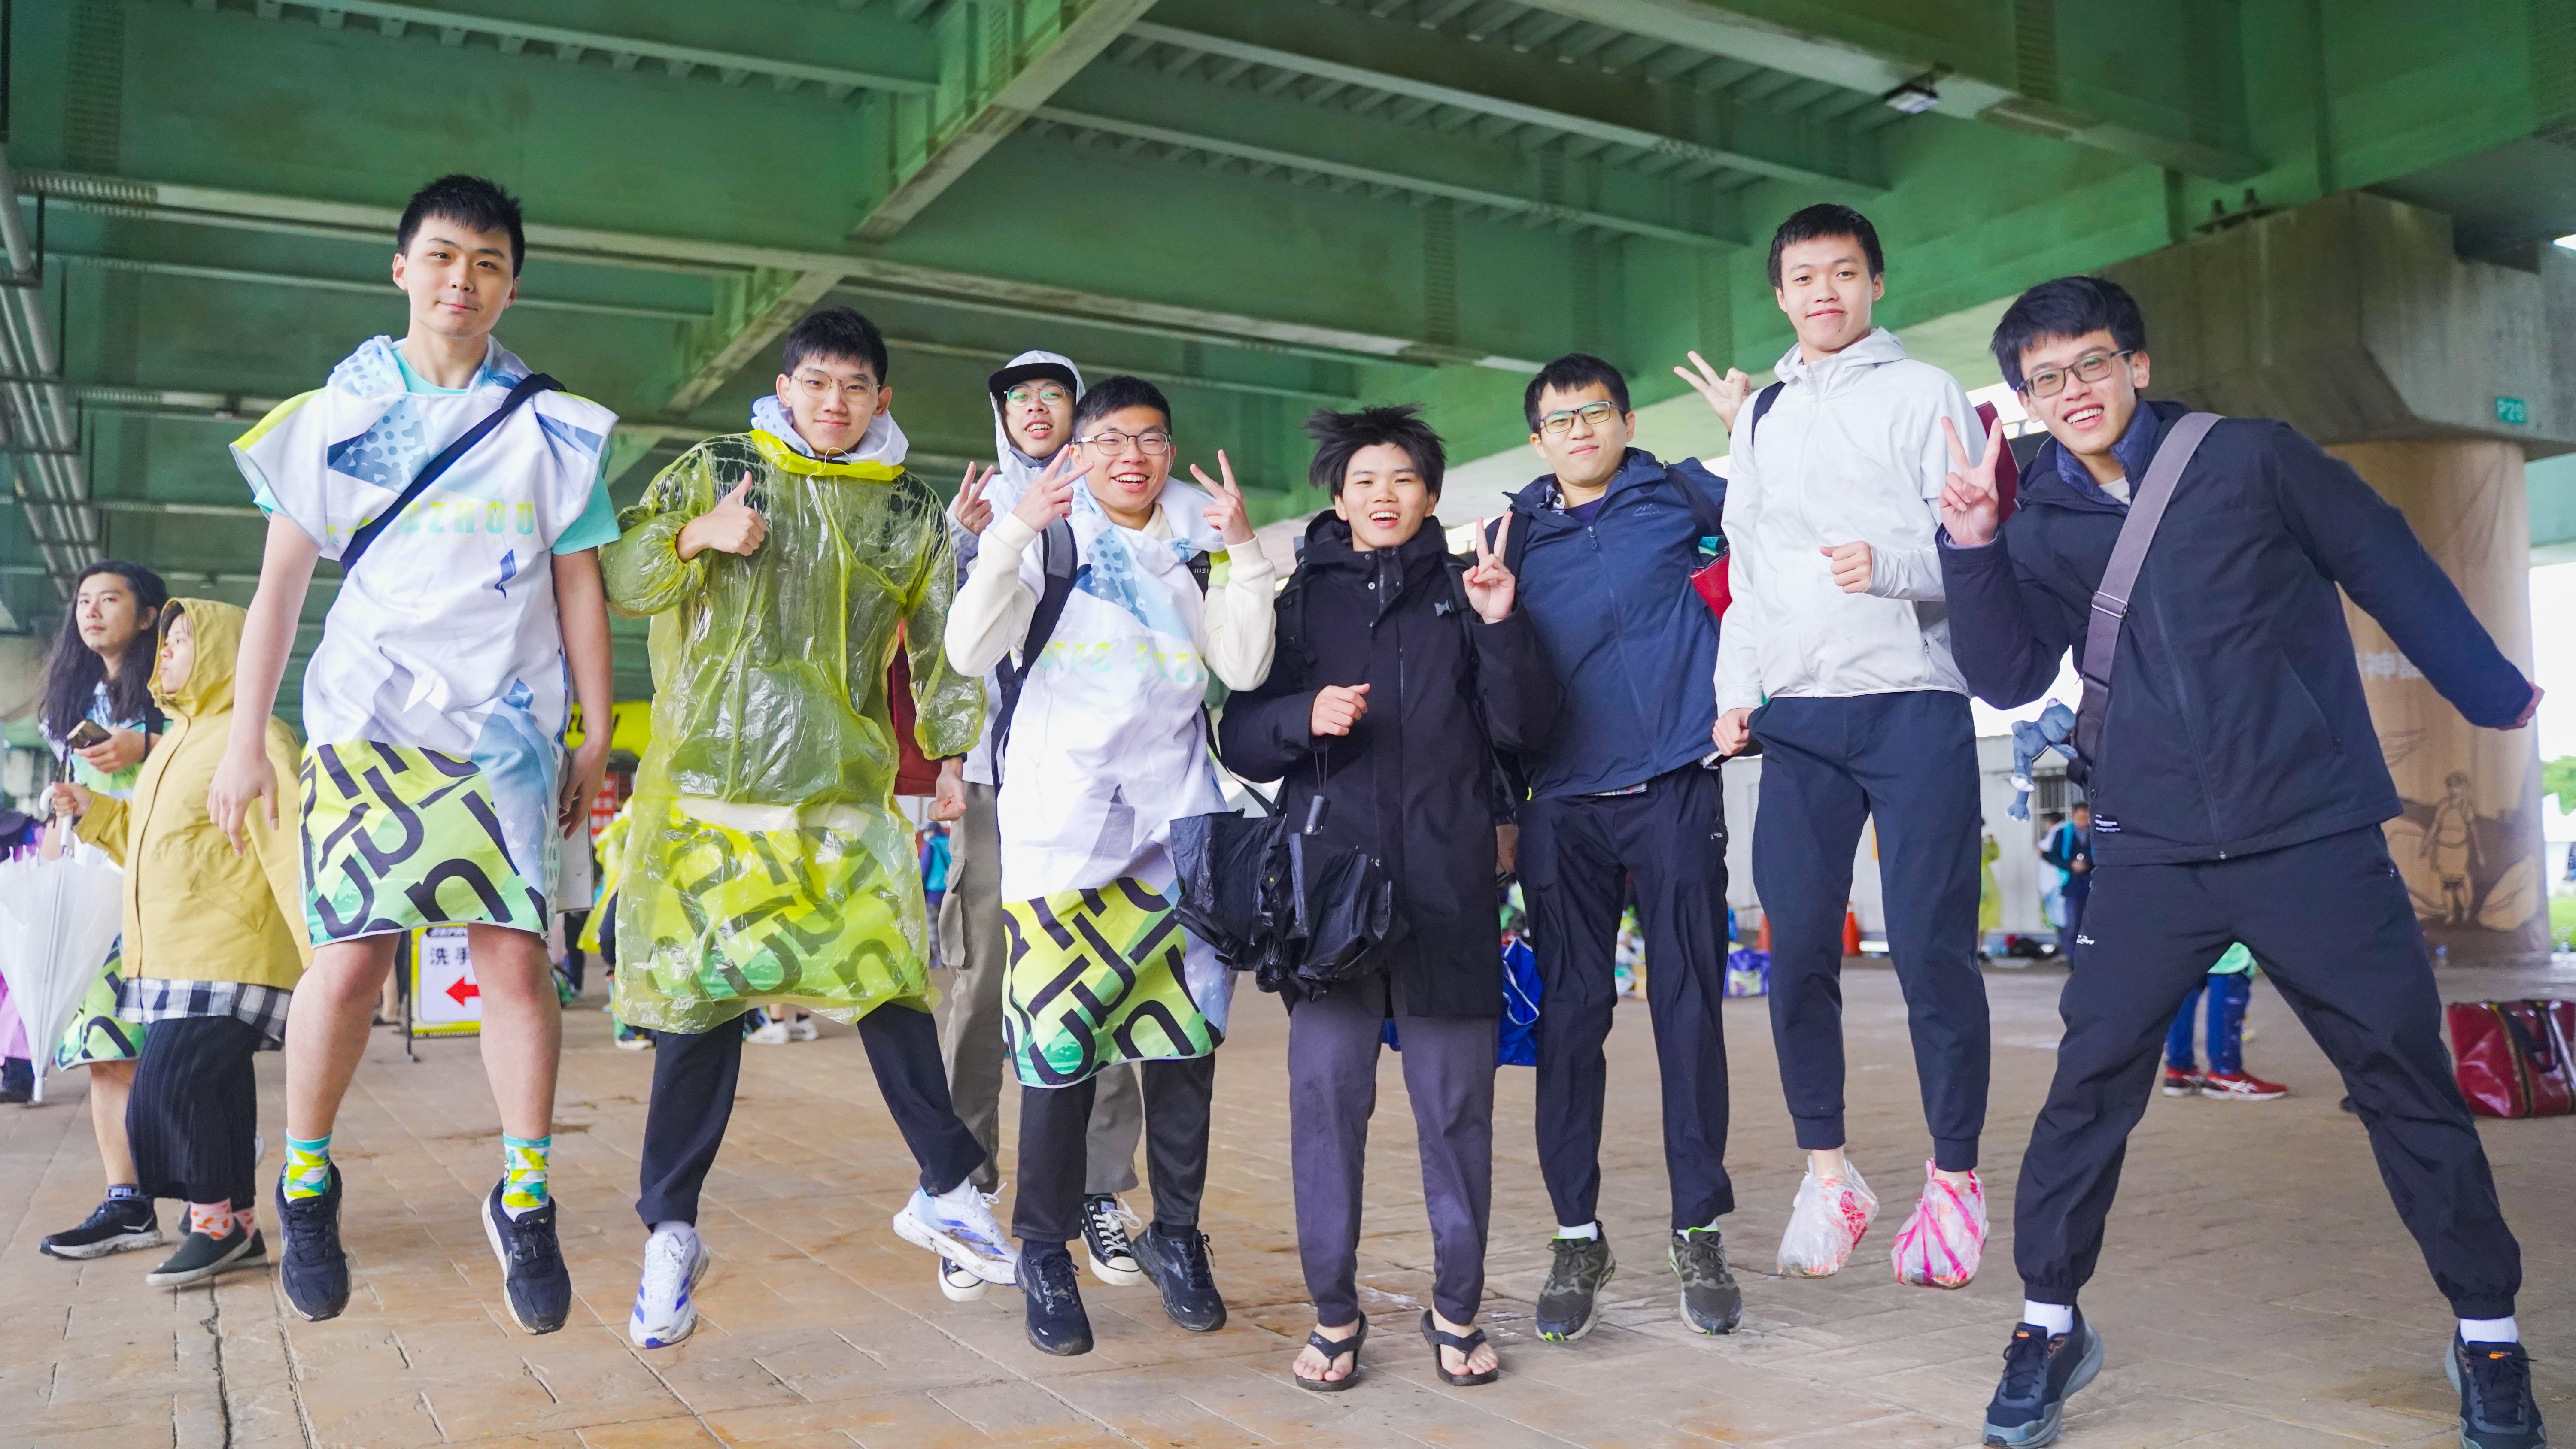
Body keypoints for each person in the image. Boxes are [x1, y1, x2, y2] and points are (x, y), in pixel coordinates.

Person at [1939, 274, 2545, 1449]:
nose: (2074, 391)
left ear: (2137, 365)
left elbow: (2380, 555)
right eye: (2046, 379)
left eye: (2093, 363)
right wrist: (1969, 546)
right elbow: (2007, 676)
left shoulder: (2252, 458)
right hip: (2151, 848)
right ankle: (2048, 1323)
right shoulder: (2038, 517)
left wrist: (2489, 688)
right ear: (2026, 400)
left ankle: (2488, 1334)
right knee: (2088, 1088)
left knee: (2402, 1076)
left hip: (2310, 830)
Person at [210, 174, 621, 1334]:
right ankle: (306, 1181)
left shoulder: (548, 426)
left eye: (488, 263)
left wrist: (596, 727)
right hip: (371, 722)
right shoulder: (345, 415)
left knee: (518, 964)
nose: (462, 281)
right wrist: (245, 740)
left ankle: (525, 1195)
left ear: (512, 286)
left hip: (505, 732)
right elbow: (280, 590)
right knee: (349, 963)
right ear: (403, 269)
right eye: (442, 257)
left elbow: (579, 585)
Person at [601, 305, 1015, 1349]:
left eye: (855, 386)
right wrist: (697, 535)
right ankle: (670, 1232)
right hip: (709, 799)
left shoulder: (908, 509)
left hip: (837, 798)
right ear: (784, 388)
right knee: (696, 1021)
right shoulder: (717, 469)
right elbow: (623, 572)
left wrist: (953, 756)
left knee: (889, 985)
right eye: (817, 383)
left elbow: (943, 642)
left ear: (882, 399)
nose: (835, 402)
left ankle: (947, 1187)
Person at [1218, 405, 1559, 1390]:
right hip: (1329, 902)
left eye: (1403, 478)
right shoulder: (1297, 604)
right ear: (1338, 497)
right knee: (1327, 1104)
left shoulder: (1467, 591)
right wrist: (1303, 714)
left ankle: (1457, 1308)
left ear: (1430, 495)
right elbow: (1241, 736)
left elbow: (1526, 728)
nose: (1383, 494)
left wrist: (1502, 623)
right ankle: (1334, 1312)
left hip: (1448, 895)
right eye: (1365, 479)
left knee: (1455, 1111)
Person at [1692, 203, 1993, 1290]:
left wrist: (1896, 564)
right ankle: (1829, 1174)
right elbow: (1746, 570)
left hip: (1914, 703)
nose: (1826, 292)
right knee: (1798, 950)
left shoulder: (1926, 393)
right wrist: (1736, 694)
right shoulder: (1762, 416)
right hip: (1801, 717)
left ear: (1876, 283)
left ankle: (1954, 1177)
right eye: (1805, 277)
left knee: (1931, 950)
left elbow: (1976, 544)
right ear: (1781, 296)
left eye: (1845, 273)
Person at [945, 373, 1275, 1357]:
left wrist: (1244, 551)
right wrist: (1013, 532)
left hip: (1177, 842)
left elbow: (1244, 668)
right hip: (1062, 847)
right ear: (1079, 453)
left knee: (1184, 1051)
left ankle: (1177, 1232)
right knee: (1058, 1059)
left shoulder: (1191, 550)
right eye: (1112, 439)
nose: (1133, 455)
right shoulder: (1048, 541)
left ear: (1169, 453)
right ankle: (1045, 1250)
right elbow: (967, 648)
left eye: (1152, 439)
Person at [1476, 352, 1741, 1341]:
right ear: (1537, 439)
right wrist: (1501, 808)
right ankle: (1577, 1234)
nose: (1580, 429)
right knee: (1571, 1019)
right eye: (1560, 418)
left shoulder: (1682, 496)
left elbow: (1787, 526)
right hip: (1562, 806)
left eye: (1596, 412)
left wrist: (1751, 436)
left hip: (1674, 784)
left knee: (1690, 1009)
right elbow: (1484, 678)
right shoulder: (1511, 534)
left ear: (1627, 421)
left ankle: (1698, 1227)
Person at [936, 352, 1150, 1307]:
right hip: (998, 778)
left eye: (1051, 395)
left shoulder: (1122, 502)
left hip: (1097, 786)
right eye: (1017, 398)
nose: (1034, 409)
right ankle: (966, 1188)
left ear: (1076, 410)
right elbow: (942, 646)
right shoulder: (978, 508)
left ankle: (1100, 1189)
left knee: (1103, 977)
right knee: (985, 983)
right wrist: (960, 544)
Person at [50, 600, 308, 1286]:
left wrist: (320, 962)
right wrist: (96, 812)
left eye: (183, 640)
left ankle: (212, 1222)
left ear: (228, 653)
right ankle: (238, 1227)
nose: (165, 653)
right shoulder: (177, 745)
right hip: (176, 955)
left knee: (168, 1087)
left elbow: (289, 848)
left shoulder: (257, 738)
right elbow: (153, 843)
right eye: (165, 643)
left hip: (232, 950)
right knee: (216, 1090)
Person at [35, 560, 167, 1261]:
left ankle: (208, 1148)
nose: (91, 610)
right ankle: (128, 1202)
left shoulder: (174, 689)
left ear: (148, 616)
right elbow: (69, 798)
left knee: (168, 1048)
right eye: (84, 600)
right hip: (94, 893)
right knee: (104, 1049)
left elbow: (233, 748)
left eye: (110, 599)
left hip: (164, 891)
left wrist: (149, 744)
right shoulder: (75, 702)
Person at [2162, 944, 2287, 1101]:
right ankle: (2225, 1073)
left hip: (2185, 943)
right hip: (2228, 951)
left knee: (2182, 999)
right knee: (2226, 987)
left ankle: (2179, 1070)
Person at [2042, 802, 2095, 940]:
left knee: (2093, 926)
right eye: (2079, 818)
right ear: (2073, 816)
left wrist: (2088, 864)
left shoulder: (2096, 834)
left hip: (2093, 886)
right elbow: (2053, 856)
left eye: (2085, 818)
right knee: (2072, 926)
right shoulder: (2063, 833)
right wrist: (2071, 865)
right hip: (2070, 885)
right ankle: (2071, 953)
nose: (2082, 822)